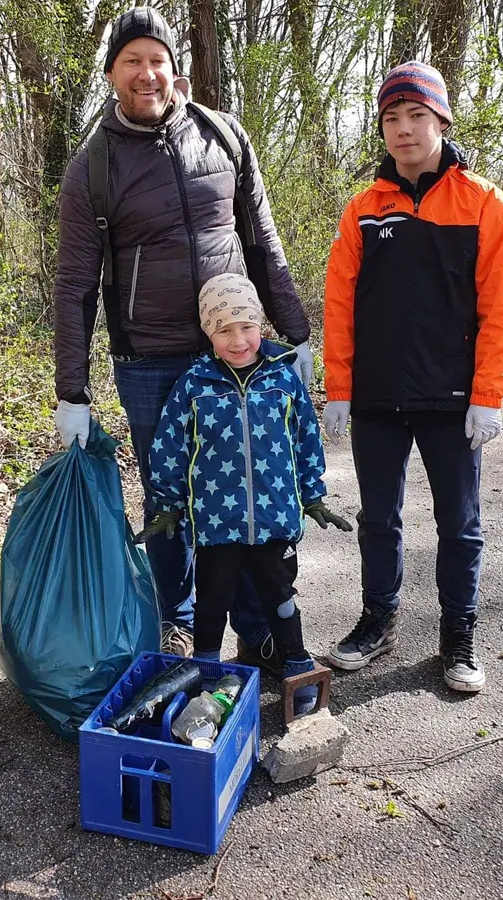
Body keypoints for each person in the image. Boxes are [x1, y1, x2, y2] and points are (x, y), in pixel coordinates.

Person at [52, 6, 315, 665]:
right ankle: (179, 620)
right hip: (149, 359)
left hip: (239, 351)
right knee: (169, 494)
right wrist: (71, 390)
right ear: (111, 72)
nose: (147, 73)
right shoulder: (93, 169)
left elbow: (264, 245)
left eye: (157, 59)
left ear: (175, 67)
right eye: (131, 61)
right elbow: (76, 283)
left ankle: (256, 635)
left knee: (249, 492)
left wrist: (298, 335)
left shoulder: (224, 137)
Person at [321, 62, 503, 693]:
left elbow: (499, 306)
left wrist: (487, 396)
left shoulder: (484, 203)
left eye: (416, 117)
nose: (403, 130)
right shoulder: (363, 210)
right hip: (378, 400)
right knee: (379, 518)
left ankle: (458, 635)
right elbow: (339, 305)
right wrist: (339, 390)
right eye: (391, 119)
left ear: (441, 120)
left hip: (452, 402)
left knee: (459, 523)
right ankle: (377, 617)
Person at [138, 274, 351, 716]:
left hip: (275, 519)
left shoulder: (282, 378)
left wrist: (312, 495)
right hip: (217, 524)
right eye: (223, 330)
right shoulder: (194, 384)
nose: (238, 340)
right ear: (208, 334)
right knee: (212, 599)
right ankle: (206, 674)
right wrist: (168, 504)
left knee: (280, 593)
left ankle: (296, 664)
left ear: (261, 325)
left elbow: (305, 438)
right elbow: (169, 446)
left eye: (246, 326)